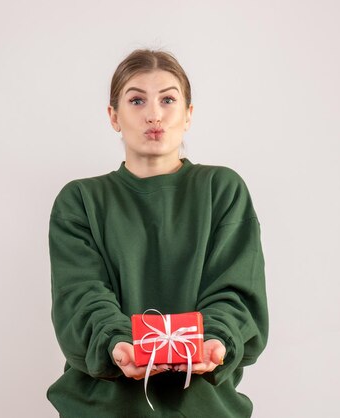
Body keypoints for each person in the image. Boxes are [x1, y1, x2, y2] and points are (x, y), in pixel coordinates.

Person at [47, 49, 269, 417]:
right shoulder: (81, 200)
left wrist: (215, 340)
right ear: (114, 117)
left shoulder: (222, 189)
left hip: (203, 409)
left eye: (168, 99)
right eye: (136, 100)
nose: (154, 114)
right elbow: (80, 296)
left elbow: (237, 290)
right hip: (101, 409)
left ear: (189, 114)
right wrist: (117, 346)